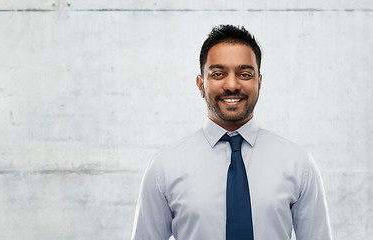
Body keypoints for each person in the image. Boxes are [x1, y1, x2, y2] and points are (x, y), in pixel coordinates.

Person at [131, 24, 332, 240]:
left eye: (245, 74)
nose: (232, 85)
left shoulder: (298, 164)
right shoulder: (165, 166)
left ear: (259, 82)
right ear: (201, 85)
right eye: (218, 74)